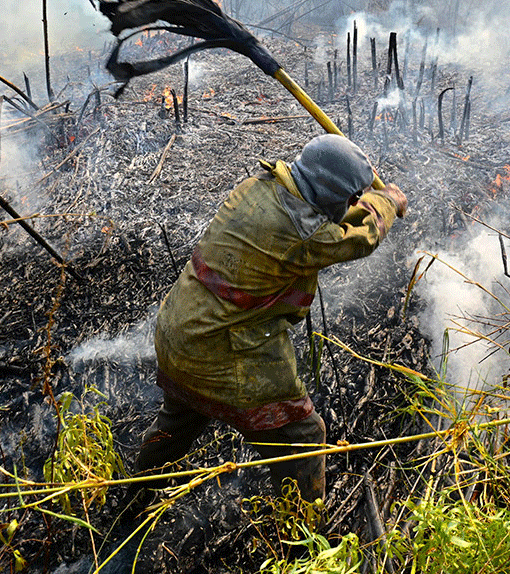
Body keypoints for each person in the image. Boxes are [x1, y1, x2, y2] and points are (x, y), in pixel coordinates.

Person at [135, 134, 408, 506]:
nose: (352, 205)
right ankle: (302, 539)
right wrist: (385, 202)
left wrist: (361, 194)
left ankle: (132, 496)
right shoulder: (304, 233)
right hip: (222, 353)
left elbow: (332, 215)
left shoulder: (255, 187)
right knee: (304, 436)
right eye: (349, 198)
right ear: (328, 193)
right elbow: (359, 238)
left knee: (179, 419)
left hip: (178, 331)